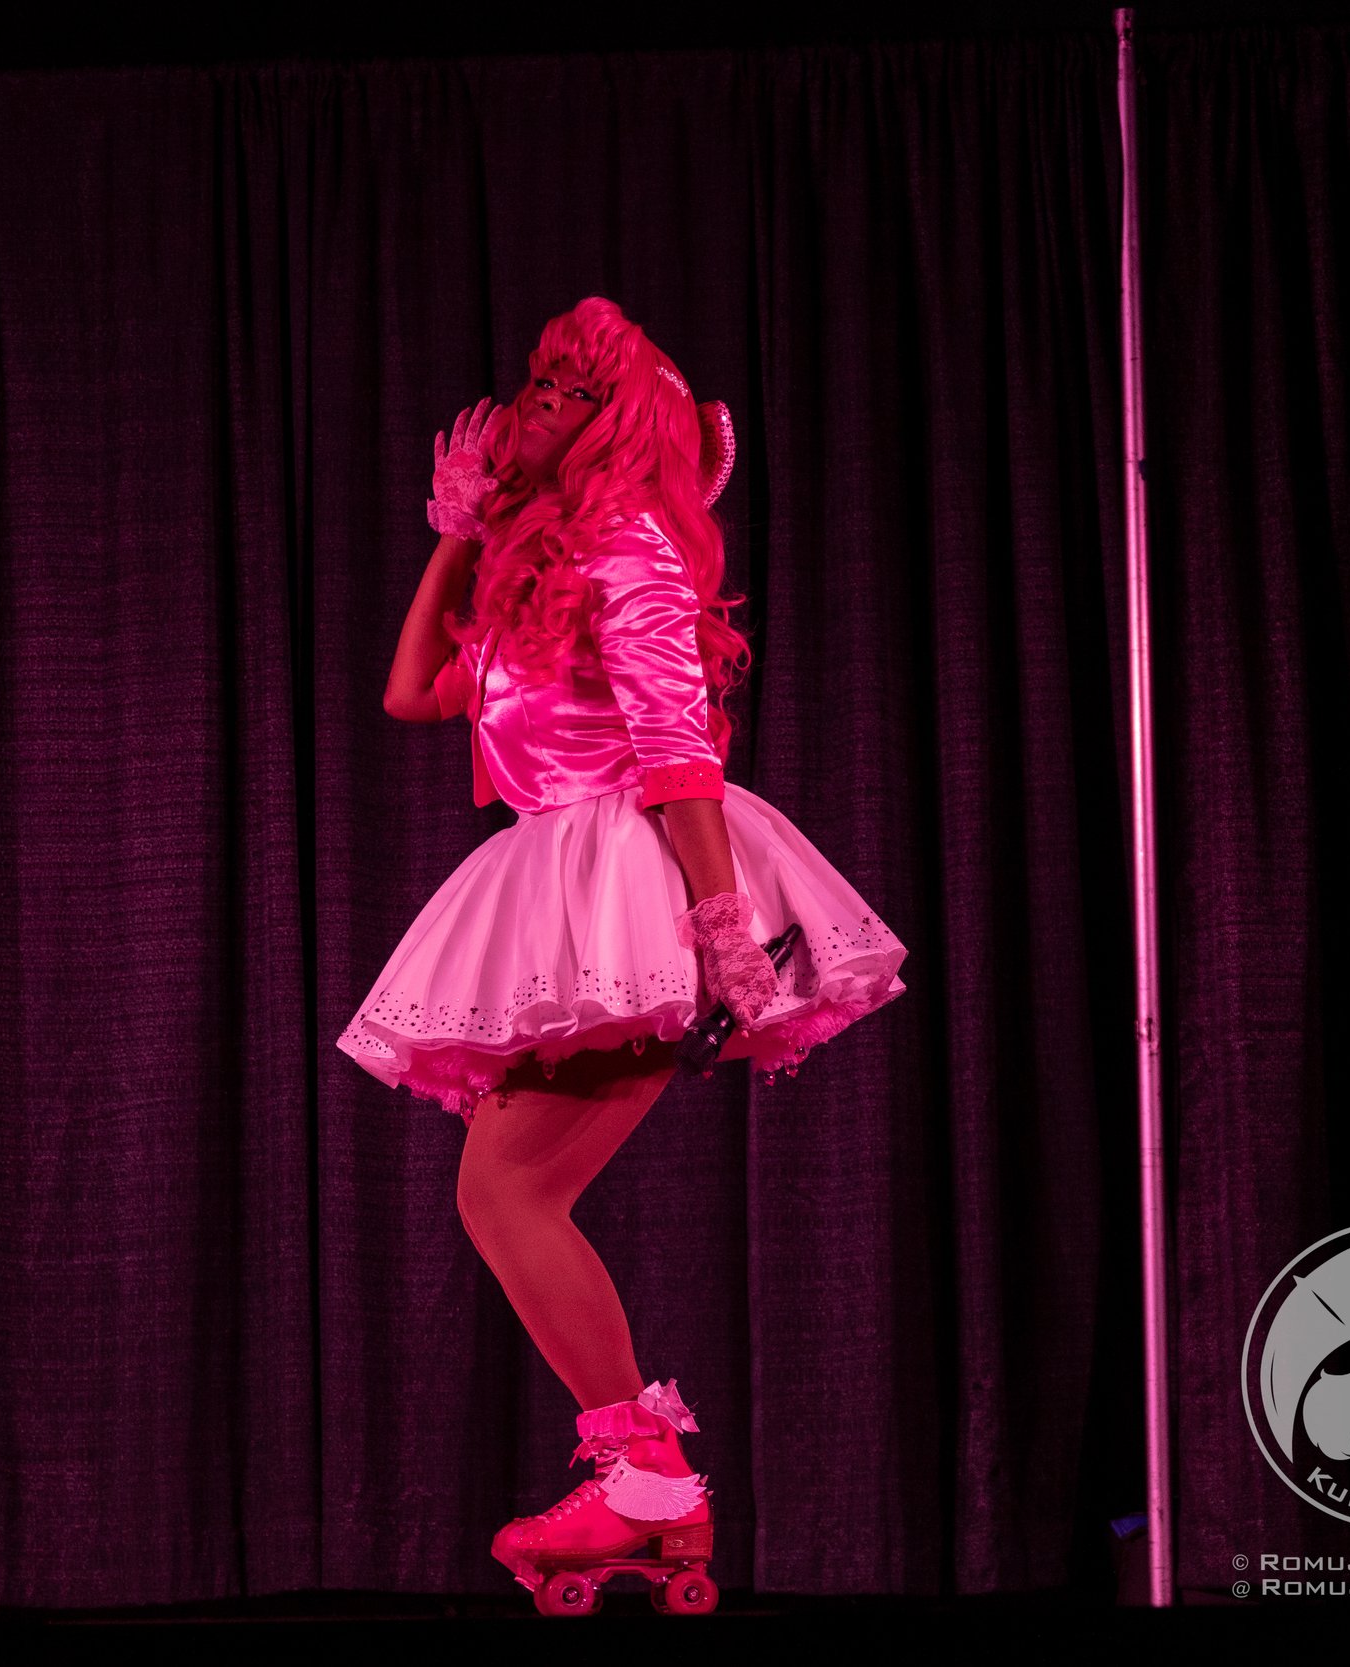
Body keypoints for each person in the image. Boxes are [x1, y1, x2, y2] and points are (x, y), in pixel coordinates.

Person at [334, 297, 909, 1604]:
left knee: (507, 1196)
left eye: (563, 394)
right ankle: (644, 1482)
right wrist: (458, 538)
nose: (529, 406)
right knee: (504, 1195)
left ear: (614, 428)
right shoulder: (545, 561)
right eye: (532, 384)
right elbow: (414, 693)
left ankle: (646, 1478)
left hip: (631, 889)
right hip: (566, 879)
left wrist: (721, 928)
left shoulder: (631, 545)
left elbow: (675, 748)